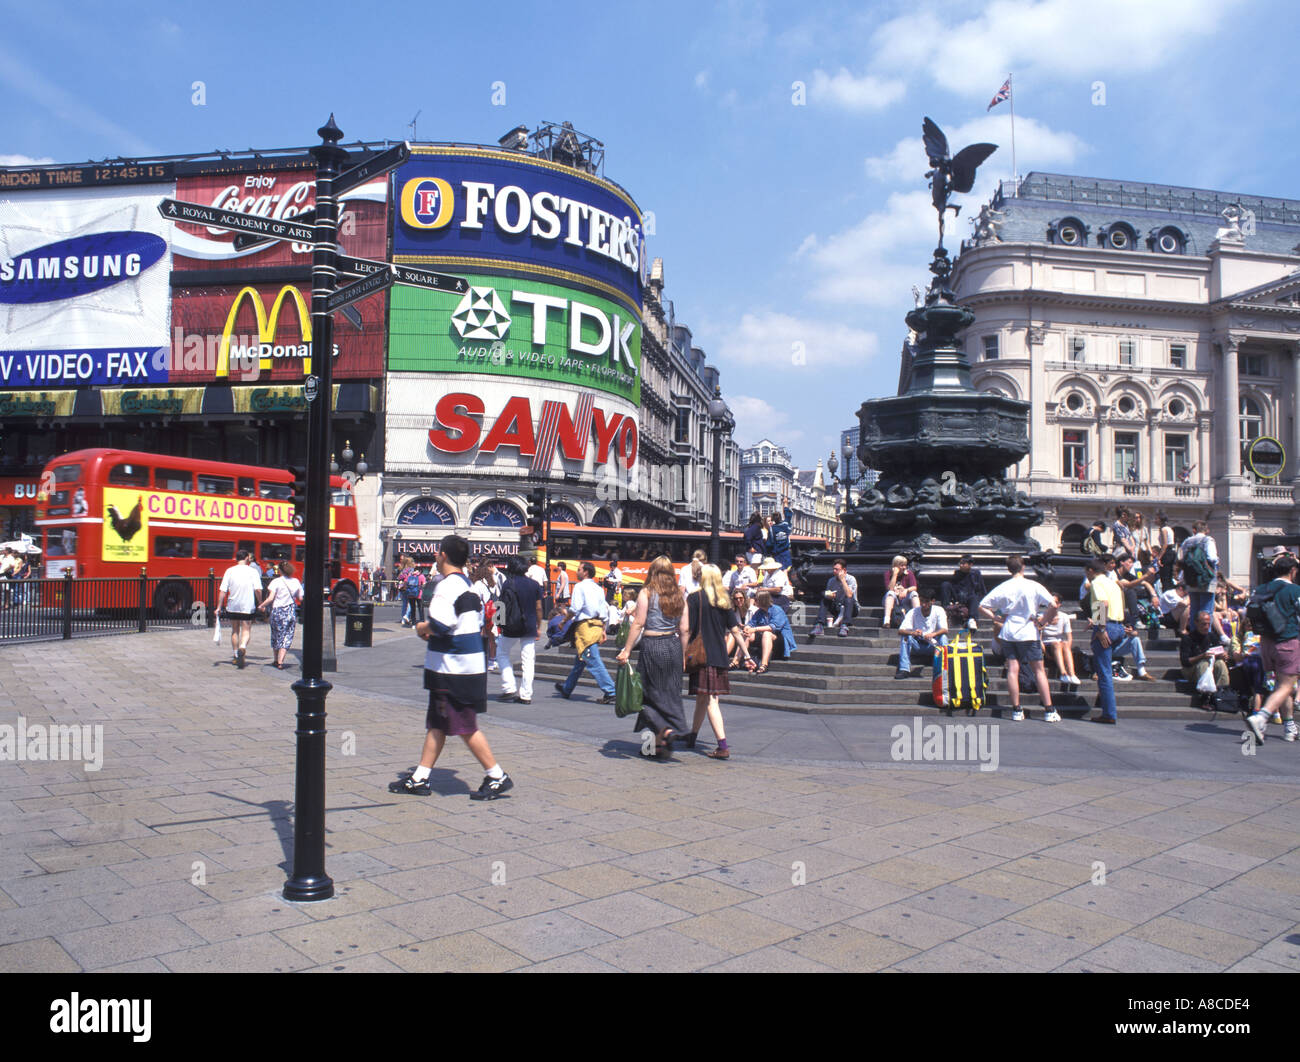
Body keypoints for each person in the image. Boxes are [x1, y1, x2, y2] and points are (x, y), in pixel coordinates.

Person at [389, 534, 513, 800]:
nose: (435, 556)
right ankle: (420, 777)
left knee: (465, 726)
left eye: (437, 553)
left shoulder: (446, 587)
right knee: (438, 722)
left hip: (454, 670)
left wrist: (422, 627)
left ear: (443, 555)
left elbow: (441, 625)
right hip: (463, 666)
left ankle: (496, 775)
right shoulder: (468, 585)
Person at [616, 555, 689, 757]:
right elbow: (685, 629)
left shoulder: (646, 592)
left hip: (652, 645)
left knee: (647, 693)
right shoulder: (679, 595)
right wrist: (683, 655)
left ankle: (666, 730)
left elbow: (638, 623)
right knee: (670, 692)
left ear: (652, 571)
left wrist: (627, 649)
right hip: (673, 645)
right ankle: (656, 745)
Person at [681, 564, 754, 760]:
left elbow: (687, 629)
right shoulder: (724, 600)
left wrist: (682, 653)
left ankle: (722, 746)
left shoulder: (694, 598)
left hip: (702, 655)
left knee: (710, 700)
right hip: (720, 656)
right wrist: (747, 655)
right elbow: (735, 631)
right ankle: (692, 736)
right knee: (703, 698)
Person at [978, 555, 1059, 721]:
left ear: (1009, 569)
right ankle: (1049, 709)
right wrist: (1043, 621)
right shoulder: (1033, 585)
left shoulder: (1003, 587)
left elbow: (982, 605)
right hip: (1028, 631)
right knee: (1039, 670)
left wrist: (996, 618)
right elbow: (1053, 604)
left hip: (1009, 631)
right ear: (1023, 567)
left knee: (1013, 670)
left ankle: (1016, 709)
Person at [1242, 555, 1300, 745]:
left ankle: (1289, 727)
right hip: (1287, 642)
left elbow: (1246, 612)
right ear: (1292, 571)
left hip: (1266, 643)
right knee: (1287, 686)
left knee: (1281, 685)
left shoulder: (1261, 589)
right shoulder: (1294, 590)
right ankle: (1261, 717)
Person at [554, 561, 616, 703]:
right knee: (581, 660)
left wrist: (563, 621)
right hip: (597, 626)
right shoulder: (598, 588)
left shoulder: (579, 586)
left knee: (592, 659)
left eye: (579, 569)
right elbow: (603, 610)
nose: (577, 572)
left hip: (585, 628)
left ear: (585, 572)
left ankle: (610, 691)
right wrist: (603, 629)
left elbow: (575, 608)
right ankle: (567, 688)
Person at [496, 555, 544, 704]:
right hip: (529, 625)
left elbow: (501, 604)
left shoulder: (508, 583)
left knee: (502, 653)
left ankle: (509, 686)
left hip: (511, 624)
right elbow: (538, 607)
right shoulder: (534, 584)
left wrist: (498, 624)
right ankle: (526, 695)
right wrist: (539, 626)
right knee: (528, 660)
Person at [1083, 556, 1125, 724]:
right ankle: (1106, 705)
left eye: (1086, 572)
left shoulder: (1096, 583)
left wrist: (1100, 629)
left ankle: (1109, 713)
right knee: (1105, 669)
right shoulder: (1113, 583)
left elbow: (1103, 603)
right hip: (1118, 626)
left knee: (1104, 673)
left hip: (1106, 627)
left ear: (1090, 570)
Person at [1178, 519, 1229, 643]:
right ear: (1206, 530)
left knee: (1194, 609)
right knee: (1207, 610)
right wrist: (1217, 562)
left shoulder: (1187, 541)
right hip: (1206, 579)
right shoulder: (1208, 540)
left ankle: (1194, 637)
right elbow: (1212, 558)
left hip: (1191, 579)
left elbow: (1181, 558)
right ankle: (1205, 639)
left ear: (1194, 530)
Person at [218, 549, 263, 669]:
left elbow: (222, 590)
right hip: (247, 606)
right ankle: (242, 647)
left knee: (235, 630)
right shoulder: (253, 571)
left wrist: (218, 606)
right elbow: (258, 590)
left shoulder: (229, 571)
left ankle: (235, 654)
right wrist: (261, 603)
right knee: (246, 630)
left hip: (233, 605)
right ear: (247, 558)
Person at [257, 560, 303, 670]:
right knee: (287, 636)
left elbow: (271, 598)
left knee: (276, 635)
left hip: (277, 611)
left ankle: (275, 659)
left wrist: (261, 605)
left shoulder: (276, 582)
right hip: (290, 611)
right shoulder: (296, 582)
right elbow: (300, 598)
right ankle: (281, 661)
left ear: (280, 571)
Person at [1181, 610, 1231, 709]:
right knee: (1203, 663)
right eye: (1203, 624)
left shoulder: (1212, 636)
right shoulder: (1188, 638)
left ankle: (1222, 693)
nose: (1206, 627)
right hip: (1191, 669)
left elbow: (1218, 652)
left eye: (1208, 624)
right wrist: (1202, 656)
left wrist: (1223, 655)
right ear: (1196, 623)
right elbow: (1185, 662)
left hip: (1210, 667)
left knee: (1220, 663)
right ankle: (1205, 697)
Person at [896, 589, 949, 681]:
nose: (923, 604)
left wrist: (933, 634)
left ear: (932, 601)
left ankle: (944, 668)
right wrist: (913, 633)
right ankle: (904, 669)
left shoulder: (939, 610)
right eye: (922, 601)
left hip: (933, 645)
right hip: (918, 645)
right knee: (905, 637)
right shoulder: (913, 612)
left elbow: (945, 629)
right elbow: (900, 630)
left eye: (926, 601)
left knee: (943, 638)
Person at [743, 589, 796, 673]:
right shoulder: (759, 612)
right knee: (748, 634)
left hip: (780, 639)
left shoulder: (777, 610)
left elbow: (773, 627)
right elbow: (751, 623)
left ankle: (764, 664)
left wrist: (755, 629)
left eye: (756, 599)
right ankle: (739, 660)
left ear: (762, 600)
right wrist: (747, 627)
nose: (754, 601)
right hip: (765, 640)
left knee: (767, 633)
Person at [809, 559, 859, 640]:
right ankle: (819, 625)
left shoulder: (851, 579)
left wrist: (843, 580)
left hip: (851, 608)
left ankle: (845, 625)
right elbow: (828, 593)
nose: (834, 571)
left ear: (844, 570)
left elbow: (849, 595)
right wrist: (829, 595)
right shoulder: (831, 581)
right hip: (837, 607)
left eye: (837, 569)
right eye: (833, 569)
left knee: (849, 599)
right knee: (825, 599)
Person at [939, 554, 988, 631]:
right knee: (945, 584)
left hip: (970, 597)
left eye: (963, 563)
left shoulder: (975, 574)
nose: (961, 565)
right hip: (959, 596)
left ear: (970, 564)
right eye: (960, 563)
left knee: (973, 597)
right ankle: (945, 608)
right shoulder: (957, 573)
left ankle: (972, 619)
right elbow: (954, 586)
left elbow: (981, 590)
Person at [1041, 595, 1080, 686]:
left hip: (1060, 645)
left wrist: (1067, 648)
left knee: (1064, 643)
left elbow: (1069, 636)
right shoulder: (1041, 616)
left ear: (1059, 604)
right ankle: (1063, 673)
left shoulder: (1064, 616)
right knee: (1057, 643)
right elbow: (1038, 637)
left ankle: (1072, 674)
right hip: (1047, 645)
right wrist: (1045, 653)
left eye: (1055, 602)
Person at [882, 555, 919, 628]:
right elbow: (890, 589)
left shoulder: (909, 573)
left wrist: (906, 590)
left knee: (914, 593)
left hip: (904, 598)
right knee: (890, 593)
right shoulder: (888, 574)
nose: (904, 567)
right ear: (895, 566)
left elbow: (914, 587)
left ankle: (918, 619)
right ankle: (886, 621)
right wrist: (895, 575)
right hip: (892, 599)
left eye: (905, 565)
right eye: (901, 565)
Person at [769, 496, 794, 570]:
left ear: (773, 520)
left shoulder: (772, 529)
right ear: (780, 518)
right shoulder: (786, 525)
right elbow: (788, 516)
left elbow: (770, 543)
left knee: (778, 571)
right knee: (787, 570)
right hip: (786, 553)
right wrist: (785, 503)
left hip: (777, 554)